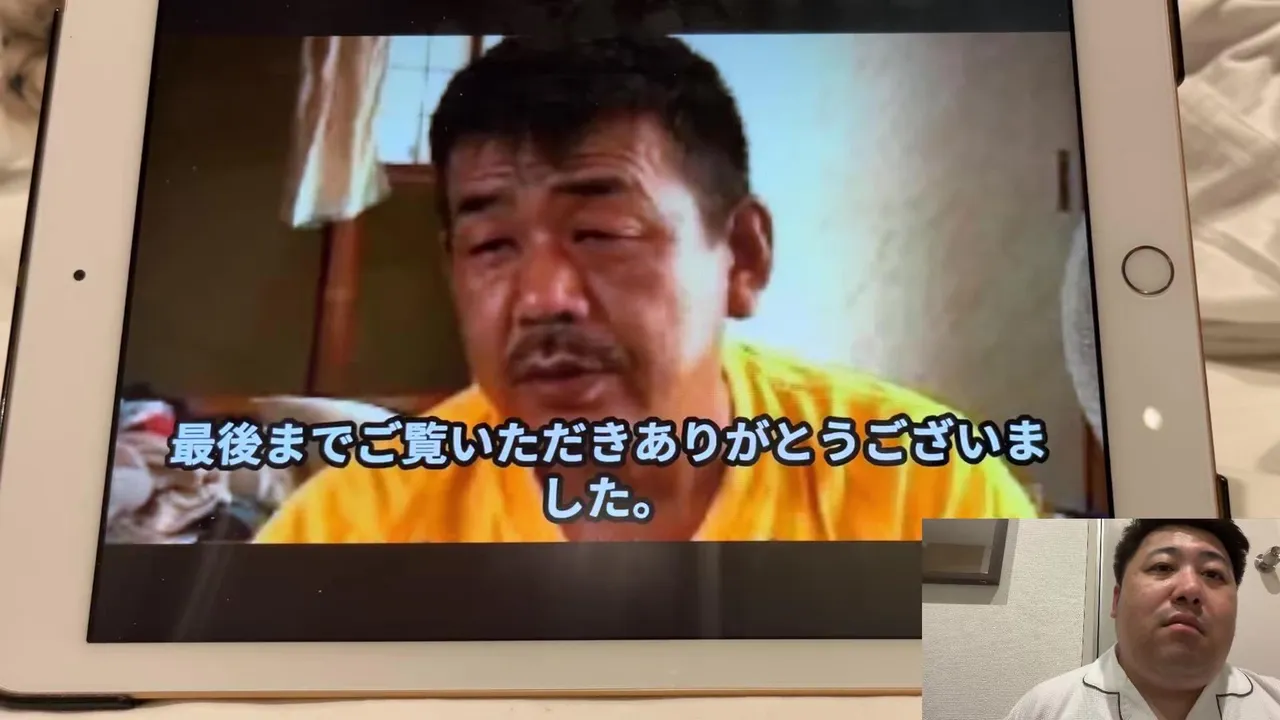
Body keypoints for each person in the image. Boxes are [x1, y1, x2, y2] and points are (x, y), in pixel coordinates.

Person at [255, 35, 1037, 544]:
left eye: (602, 232)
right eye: (491, 245)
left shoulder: (930, 489)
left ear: (742, 256)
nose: (542, 298)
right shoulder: (344, 531)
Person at [1003, 519, 1280, 720]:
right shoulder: (1044, 709)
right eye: (1163, 567)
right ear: (1116, 600)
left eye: (1212, 573)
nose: (1190, 589)